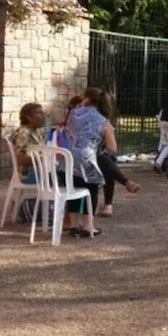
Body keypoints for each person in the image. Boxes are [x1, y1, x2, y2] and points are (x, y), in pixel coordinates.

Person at [62, 87, 117, 237]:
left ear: (86, 99)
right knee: (91, 187)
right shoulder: (103, 121)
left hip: (67, 158)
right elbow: (112, 147)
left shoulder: (73, 114)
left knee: (73, 187)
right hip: (87, 158)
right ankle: (88, 226)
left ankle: (73, 225)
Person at [10, 103, 47, 222]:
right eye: (39, 113)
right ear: (28, 117)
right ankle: (60, 216)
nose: (43, 116)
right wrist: (44, 160)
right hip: (27, 174)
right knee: (65, 178)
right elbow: (21, 159)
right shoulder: (23, 134)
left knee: (69, 176)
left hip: (38, 171)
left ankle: (60, 214)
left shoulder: (37, 132)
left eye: (43, 113)